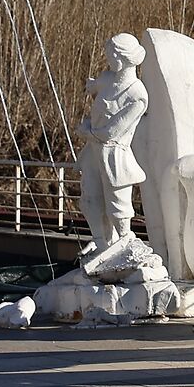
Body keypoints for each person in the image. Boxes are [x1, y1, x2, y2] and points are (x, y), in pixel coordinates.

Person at [77, 33, 149, 253]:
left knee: (117, 203)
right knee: (90, 198)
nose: (107, 59)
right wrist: (92, 85)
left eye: (110, 55)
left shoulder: (137, 95)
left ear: (121, 57)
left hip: (114, 156)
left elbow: (111, 133)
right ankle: (100, 241)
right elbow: (95, 85)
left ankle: (125, 242)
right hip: (93, 152)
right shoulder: (108, 79)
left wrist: (87, 131)